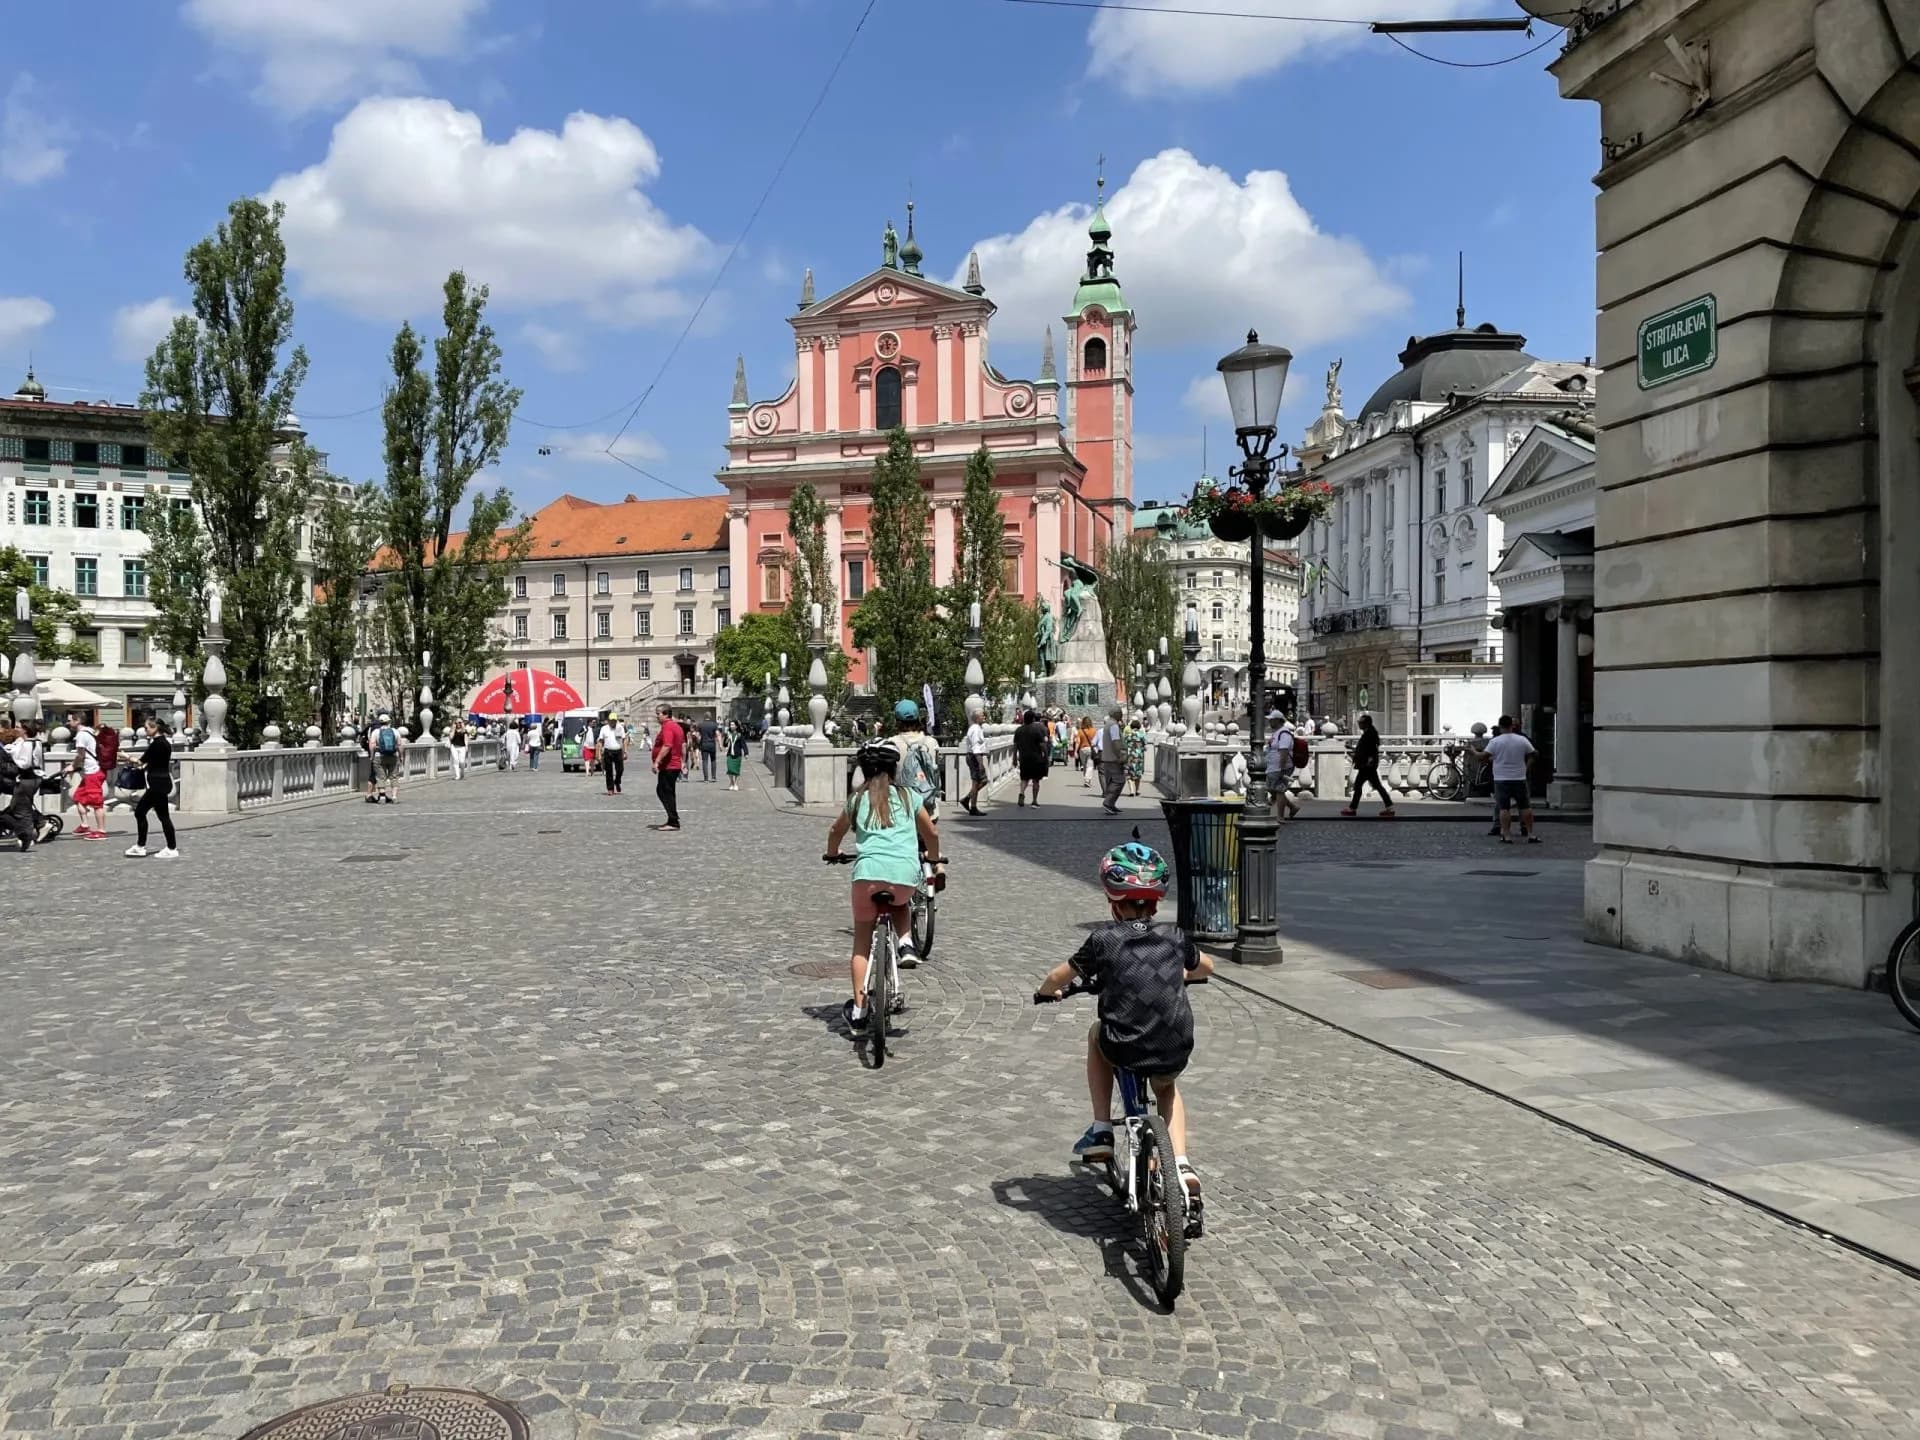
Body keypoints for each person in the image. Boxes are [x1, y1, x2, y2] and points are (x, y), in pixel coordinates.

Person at [1033, 841, 1211, 1228]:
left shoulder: (1103, 941)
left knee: (1097, 1035)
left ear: (1114, 903)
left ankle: (1101, 1130)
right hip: (1174, 1043)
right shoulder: (1175, 935)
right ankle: (1180, 1164)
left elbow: (1056, 977)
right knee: (1167, 1088)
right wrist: (1184, 972)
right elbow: (1206, 967)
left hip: (1124, 1043)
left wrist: (1047, 993)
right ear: (1156, 902)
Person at [825, 740, 942, 1033]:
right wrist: (935, 857)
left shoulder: (856, 799)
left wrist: (833, 852)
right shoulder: (908, 796)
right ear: (894, 769)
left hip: (867, 877)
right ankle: (905, 943)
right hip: (904, 876)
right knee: (900, 902)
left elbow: (835, 831)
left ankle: (860, 1010)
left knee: (861, 943)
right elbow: (931, 832)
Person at [125, 717, 179, 859]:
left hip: (156, 784)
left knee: (140, 812)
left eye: (147, 728)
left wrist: (127, 756)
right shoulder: (165, 743)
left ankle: (142, 846)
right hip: (162, 782)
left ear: (155, 728)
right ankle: (169, 847)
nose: (145, 730)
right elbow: (153, 763)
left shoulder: (156, 744)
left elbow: (141, 761)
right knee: (163, 817)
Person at [1486, 714, 1541, 844]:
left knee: (1503, 808)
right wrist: (1526, 768)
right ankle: (1530, 834)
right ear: (1512, 725)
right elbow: (1534, 754)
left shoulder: (1495, 741)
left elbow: (1484, 756)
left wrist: (1472, 751)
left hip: (1501, 778)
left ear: (1500, 726)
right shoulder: (1522, 739)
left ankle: (1506, 834)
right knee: (1525, 806)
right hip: (1519, 777)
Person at [888, 699, 942, 817]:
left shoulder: (892, 743)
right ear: (918, 718)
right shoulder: (932, 742)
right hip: (928, 807)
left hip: (901, 809)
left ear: (897, 720)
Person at [1340, 713, 1395, 818]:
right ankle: (1389, 807)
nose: (1359, 724)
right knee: (1375, 786)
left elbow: (1370, 750)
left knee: (1359, 786)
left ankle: (1352, 808)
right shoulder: (1370, 733)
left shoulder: (1369, 734)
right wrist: (1351, 748)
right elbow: (1364, 749)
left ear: (1366, 724)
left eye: (1360, 723)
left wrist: (1369, 760)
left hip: (1366, 765)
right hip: (1367, 764)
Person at [1, 724, 40, 852]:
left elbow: (23, 764)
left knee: (18, 811)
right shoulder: (34, 743)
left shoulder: (27, 744)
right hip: (27, 779)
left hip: (23, 779)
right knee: (18, 810)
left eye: (19, 727)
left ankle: (26, 834)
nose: (16, 729)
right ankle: (27, 832)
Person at [69, 712, 107, 840]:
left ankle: (101, 831)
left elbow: (81, 755)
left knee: (97, 803)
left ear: (78, 720)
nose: (68, 723)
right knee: (78, 797)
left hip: (93, 772)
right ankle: (85, 825)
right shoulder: (90, 731)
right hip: (92, 770)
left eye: (70, 720)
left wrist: (72, 767)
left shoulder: (81, 735)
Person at [650, 704, 685, 830]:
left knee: (664, 791)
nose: (657, 716)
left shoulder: (668, 727)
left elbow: (668, 745)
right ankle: (672, 818)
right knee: (667, 792)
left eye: (658, 713)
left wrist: (657, 761)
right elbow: (682, 746)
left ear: (665, 714)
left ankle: (673, 821)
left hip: (669, 765)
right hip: (672, 765)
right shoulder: (676, 726)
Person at [1266, 713, 1302, 821]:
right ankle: (1293, 807)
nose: (1269, 721)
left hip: (1282, 766)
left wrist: (1281, 767)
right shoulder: (1277, 733)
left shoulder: (1284, 734)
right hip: (1274, 766)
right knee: (1273, 789)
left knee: (1279, 790)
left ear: (1278, 720)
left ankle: (1280, 816)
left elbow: (1284, 751)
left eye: (1272, 720)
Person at [1014, 708, 1050, 807]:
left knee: (1024, 778)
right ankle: (1034, 800)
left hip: (1023, 758)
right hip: (1036, 758)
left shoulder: (1019, 730)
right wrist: (1046, 757)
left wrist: (1014, 758)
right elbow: (1042, 745)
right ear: (1033, 719)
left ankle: (1021, 792)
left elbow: (1015, 746)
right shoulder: (1037, 730)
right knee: (1036, 780)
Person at [1095, 706, 1127, 815]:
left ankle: (1111, 804)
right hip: (1113, 758)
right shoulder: (1113, 725)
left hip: (1107, 757)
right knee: (1119, 780)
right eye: (1120, 713)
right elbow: (1115, 742)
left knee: (1112, 780)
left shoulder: (1108, 725)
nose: (1122, 715)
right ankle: (1108, 802)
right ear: (1116, 714)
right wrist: (1120, 755)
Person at [961, 708, 988, 816]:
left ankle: (968, 799)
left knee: (982, 781)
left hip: (974, 756)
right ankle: (973, 806)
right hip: (974, 757)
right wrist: (980, 763)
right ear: (977, 718)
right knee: (977, 781)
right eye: (982, 715)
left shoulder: (976, 728)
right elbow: (976, 747)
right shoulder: (975, 729)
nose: (984, 717)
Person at [372, 712, 404, 803]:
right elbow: (400, 745)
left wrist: (371, 755)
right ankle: (394, 797)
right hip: (393, 756)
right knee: (394, 777)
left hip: (379, 756)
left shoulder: (376, 732)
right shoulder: (395, 731)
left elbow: (372, 744)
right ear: (389, 722)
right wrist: (401, 756)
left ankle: (382, 797)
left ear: (380, 722)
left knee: (380, 777)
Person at [598, 712, 628, 795]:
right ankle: (610, 789)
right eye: (611, 720)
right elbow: (600, 741)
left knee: (620, 770)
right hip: (608, 751)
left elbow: (624, 740)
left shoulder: (620, 728)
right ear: (608, 721)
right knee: (609, 771)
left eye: (614, 720)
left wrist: (625, 751)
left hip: (618, 751)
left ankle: (617, 781)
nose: (613, 722)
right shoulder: (604, 728)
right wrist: (599, 754)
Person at [1123, 717, 1147, 798]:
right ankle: (1137, 790)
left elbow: (1124, 745)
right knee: (1138, 773)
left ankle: (1131, 791)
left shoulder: (1128, 735)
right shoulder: (1141, 735)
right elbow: (1145, 745)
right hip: (1139, 757)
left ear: (1131, 727)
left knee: (1129, 774)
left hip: (1130, 756)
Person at [725, 720, 750, 791]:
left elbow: (743, 744)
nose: (731, 726)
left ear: (736, 726)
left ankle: (735, 784)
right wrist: (726, 739)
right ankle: (731, 782)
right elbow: (725, 744)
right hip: (730, 754)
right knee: (730, 769)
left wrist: (746, 753)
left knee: (736, 770)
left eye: (733, 725)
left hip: (737, 754)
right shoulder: (728, 734)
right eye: (730, 725)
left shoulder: (739, 735)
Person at [696, 713, 720, 783]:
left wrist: (698, 742)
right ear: (710, 716)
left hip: (704, 744)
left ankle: (706, 778)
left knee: (705, 761)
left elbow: (697, 735)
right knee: (713, 760)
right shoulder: (714, 724)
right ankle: (713, 777)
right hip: (712, 744)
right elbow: (717, 734)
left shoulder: (700, 725)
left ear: (704, 716)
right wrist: (720, 745)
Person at [1077, 715, 1098, 787]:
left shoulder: (1080, 731)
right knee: (1090, 765)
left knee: (1084, 765)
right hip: (1090, 748)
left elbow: (1078, 742)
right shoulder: (1094, 730)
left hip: (1082, 749)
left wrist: (1075, 751)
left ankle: (1087, 780)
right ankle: (1087, 780)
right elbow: (1096, 741)